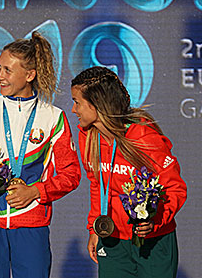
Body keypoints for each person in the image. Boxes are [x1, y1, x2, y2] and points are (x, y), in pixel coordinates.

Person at [0, 31, 81, 278]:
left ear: (29, 75)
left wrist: (35, 192)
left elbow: (70, 174)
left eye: (7, 70)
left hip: (31, 226)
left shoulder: (53, 118)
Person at [70, 66, 187, 278]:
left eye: (77, 102)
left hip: (153, 241)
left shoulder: (143, 137)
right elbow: (98, 185)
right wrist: (94, 228)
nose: (73, 110)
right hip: (112, 238)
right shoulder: (87, 137)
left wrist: (154, 221)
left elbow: (175, 188)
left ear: (96, 104)